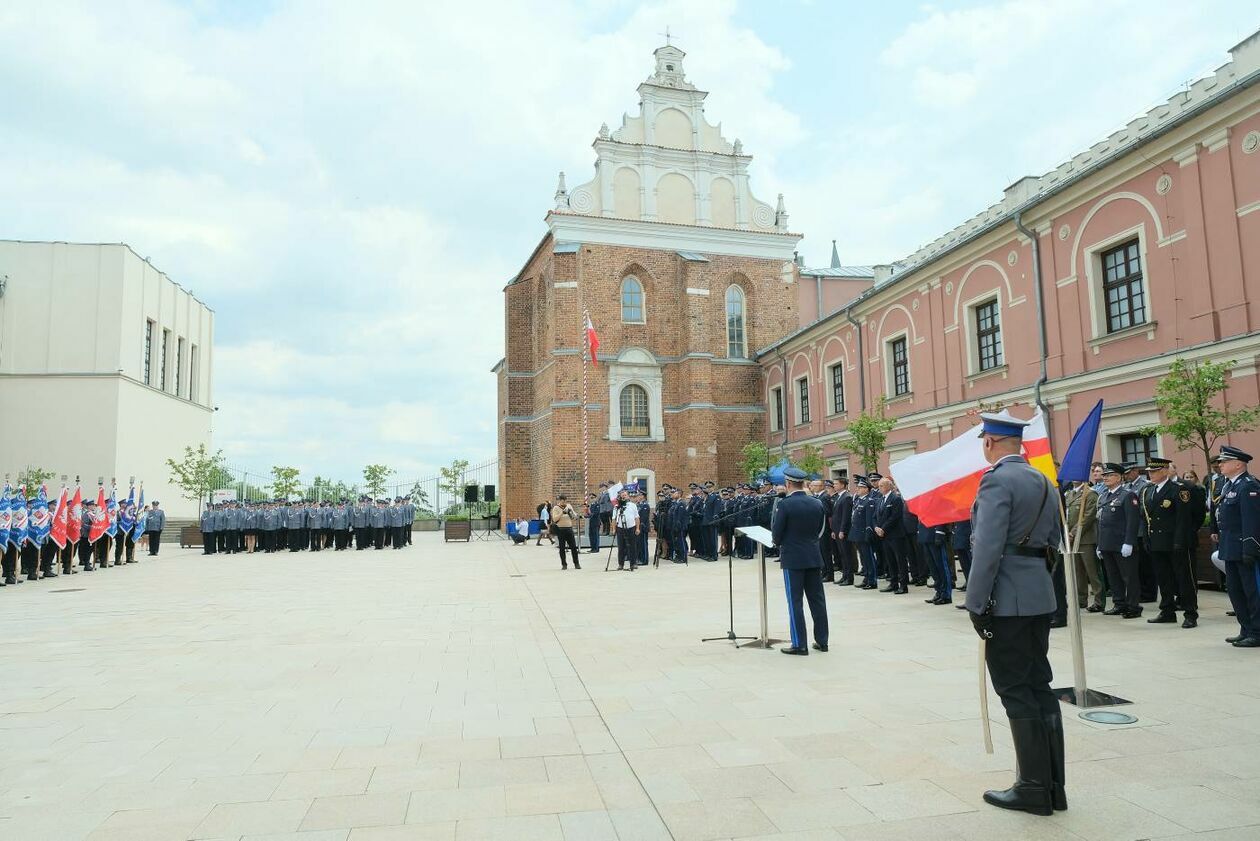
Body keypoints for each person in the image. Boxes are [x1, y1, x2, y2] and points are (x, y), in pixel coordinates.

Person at [964, 410, 1064, 816]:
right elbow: (1053, 542)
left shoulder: (997, 480)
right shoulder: (1042, 479)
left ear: (989, 443)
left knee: (1016, 691)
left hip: (1007, 599)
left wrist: (975, 603)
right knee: (1040, 688)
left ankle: (1032, 787)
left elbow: (986, 548)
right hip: (1039, 594)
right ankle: (1054, 785)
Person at [772, 467, 829, 655]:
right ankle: (822, 641)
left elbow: (777, 534)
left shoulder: (785, 505)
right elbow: (820, 530)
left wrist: (778, 541)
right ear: (803, 483)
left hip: (793, 559)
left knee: (795, 602)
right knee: (817, 600)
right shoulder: (816, 503)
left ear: (788, 484)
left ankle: (799, 644)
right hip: (813, 555)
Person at [1211, 446, 1260, 648]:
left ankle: (1257, 632)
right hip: (1229, 547)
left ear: (1238, 464)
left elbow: (1252, 520)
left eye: (1225, 461)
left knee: (1251, 591)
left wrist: (1250, 547)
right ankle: (1245, 628)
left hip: (1243, 548)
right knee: (1235, 590)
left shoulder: (1248, 485)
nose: (1220, 465)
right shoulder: (1228, 485)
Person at [1141, 457, 1197, 628]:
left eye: (1155, 471)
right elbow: (1145, 517)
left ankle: (1190, 613)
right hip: (1157, 541)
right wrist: (1146, 538)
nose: (1151, 474)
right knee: (1163, 578)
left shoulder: (1179, 490)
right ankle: (1167, 610)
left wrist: (1180, 542)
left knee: (1183, 578)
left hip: (1175, 542)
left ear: (1165, 471)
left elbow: (1183, 519)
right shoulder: (1148, 490)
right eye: (1149, 471)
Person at [1097, 463, 1141, 618]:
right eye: (1105, 476)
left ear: (1119, 477)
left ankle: (1133, 606)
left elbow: (1132, 521)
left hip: (1122, 543)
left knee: (1129, 576)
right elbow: (1101, 521)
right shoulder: (1104, 495)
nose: (1106, 478)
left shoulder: (1127, 495)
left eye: (1109, 475)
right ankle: (1119, 603)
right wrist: (1099, 544)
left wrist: (1129, 542)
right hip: (1107, 543)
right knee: (1113, 576)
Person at [1063, 481, 1103, 612]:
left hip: (1085, 539)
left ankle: (1099, 601)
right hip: (1071, 540)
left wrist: (1073, 533)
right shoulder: (1068, 494)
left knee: (1092, 572)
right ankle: (1081, 600)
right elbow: (1066, 515)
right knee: (1078, 572)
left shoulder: (1090, 494)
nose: (1074, 478)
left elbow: (1088, 516)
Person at [874, 478, 908, 594]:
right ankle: (893, 583)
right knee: (890, 560)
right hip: (884, 535)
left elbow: (895, 516)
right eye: (879, 486)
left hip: (895, 534)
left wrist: (883, 528)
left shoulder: (895, 499)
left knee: (900, 560)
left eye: (882, 486)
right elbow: (875, 516)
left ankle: (903, 585)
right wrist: (876, 527)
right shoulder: (880, 500)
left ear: (889, 486)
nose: (879, 488)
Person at [918, 518, 951, 605]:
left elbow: (941, 516)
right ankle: (939, 591)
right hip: (925, 535)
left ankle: (946, 594)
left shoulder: (937, 503)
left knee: (941, 566)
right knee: (933, 568)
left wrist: (939, 533)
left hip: (935, 534)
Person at [612, 489, 639, 571]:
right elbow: (614, 519)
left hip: (631, 528)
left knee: (632, 546)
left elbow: (637, 517)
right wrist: (613, 529)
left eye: (625, 495)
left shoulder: (633, 505)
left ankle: (633, 563)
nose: (623, 496)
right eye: (622, 495)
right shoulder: (617, 507)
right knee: (621, 547)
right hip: (620, 529)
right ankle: (621, 564)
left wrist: (637, 528)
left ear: (628, 496)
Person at [553, 495, 581, 569]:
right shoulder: (556, 508)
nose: (564, 502)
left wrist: (573, 514)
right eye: (562, 500)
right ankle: (564, 564)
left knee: (573, 547)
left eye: (565, 500)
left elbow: (574, 516)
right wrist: (562, 513)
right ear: (560, 500)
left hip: (569, 529)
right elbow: (555, 519)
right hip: (560, 529)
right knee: (562, 548)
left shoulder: (569, 506)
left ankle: (576, 563)